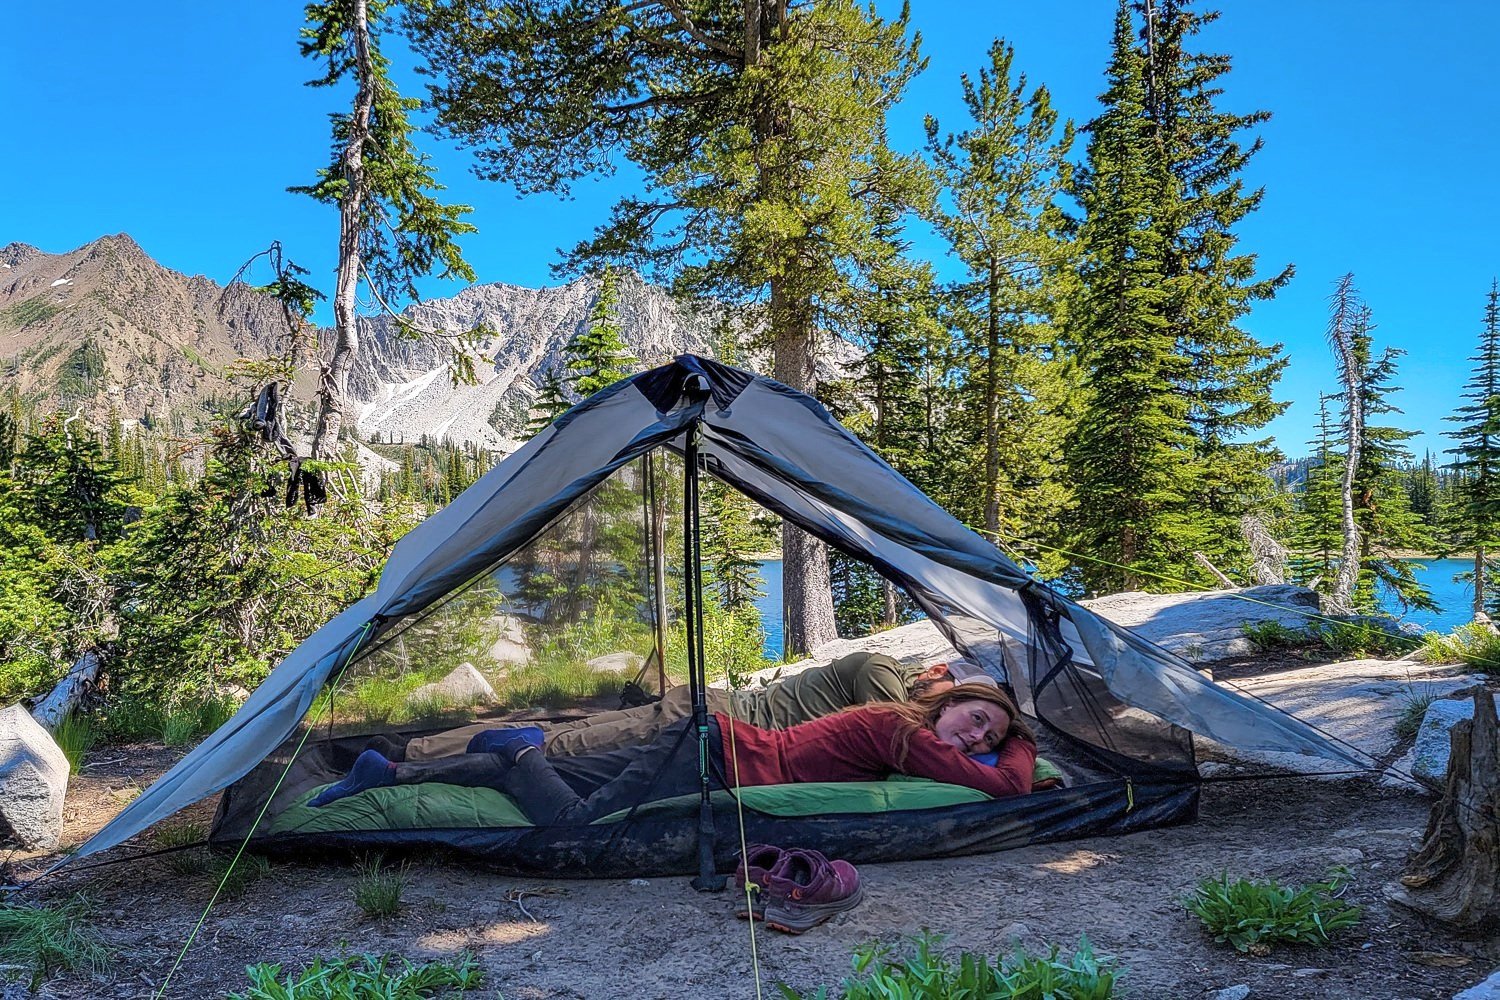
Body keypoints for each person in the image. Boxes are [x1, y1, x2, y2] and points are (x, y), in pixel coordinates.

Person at [311, 684, 1038, 825]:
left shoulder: (897, 724)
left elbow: (991, 771)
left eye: (986, 740)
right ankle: (521, 745)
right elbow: (1009, 790)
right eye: (976, 721)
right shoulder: (905, 734)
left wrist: (1007, 728)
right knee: (575, 825)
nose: (975, 741)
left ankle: (395, 773)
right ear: (946, 705)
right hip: (713, 758)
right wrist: (1027, 740)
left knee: (537, 777)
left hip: (704, 742)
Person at [397, 650, 981, 760]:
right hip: (705, 717)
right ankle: (418, 755)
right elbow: (896, 742)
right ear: (932, 675)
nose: (943, 712)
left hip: (708, 712)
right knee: (561, 745)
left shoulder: (894, 685)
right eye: (950, 699)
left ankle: (419, 750)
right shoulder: (882, 673)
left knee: (569, 736)